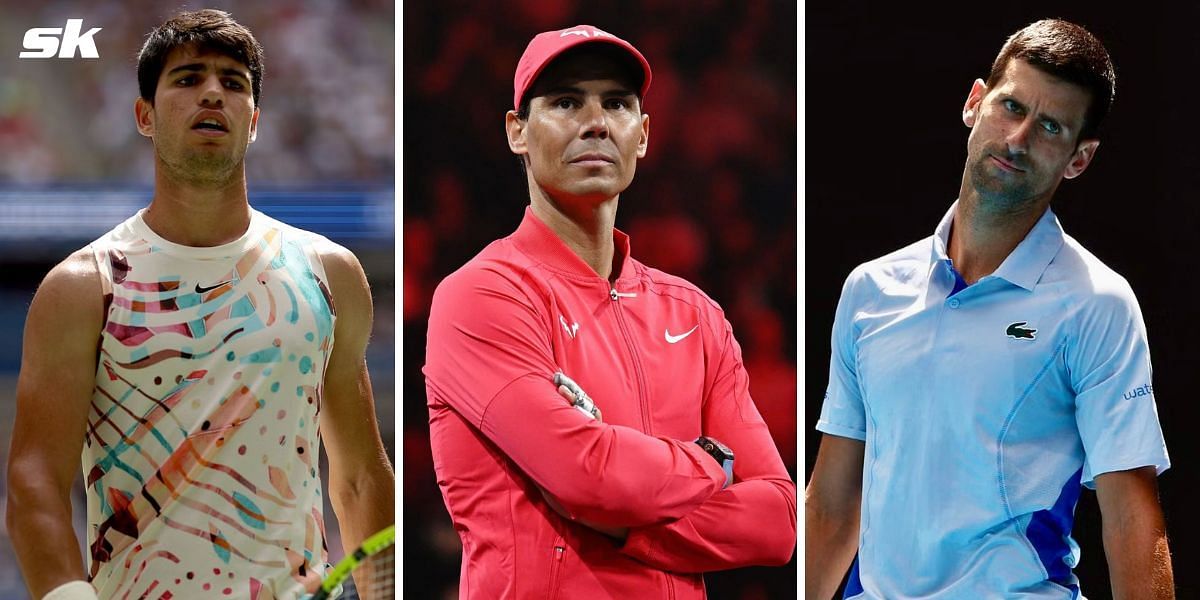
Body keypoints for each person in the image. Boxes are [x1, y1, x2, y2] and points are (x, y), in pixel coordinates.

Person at [5, 9, 394, 600]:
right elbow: (34, 481)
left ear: (254, 120)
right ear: (144, 115)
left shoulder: (329, 273)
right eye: (187, 79)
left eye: (232, 83)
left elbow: (363, 478)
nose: (212, 92)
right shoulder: (83, 286)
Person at [423, 24, 796, 598]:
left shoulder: (695, 313)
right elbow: (584, 475)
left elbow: (776, 520)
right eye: (567, 102)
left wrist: (629, 528)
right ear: (516, 132)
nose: (595, 121)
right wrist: (710, 463)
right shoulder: (481, 295)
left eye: (616, 104)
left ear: (642, 135)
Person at [806, 18, 1173, 599]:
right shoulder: (869, 289)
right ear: (975, 103)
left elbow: (1132, 521)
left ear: (1079, 159)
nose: (1019, 138)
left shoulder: (1098, 304)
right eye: (1011, 107)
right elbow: (831, 499)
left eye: (1050, 126)